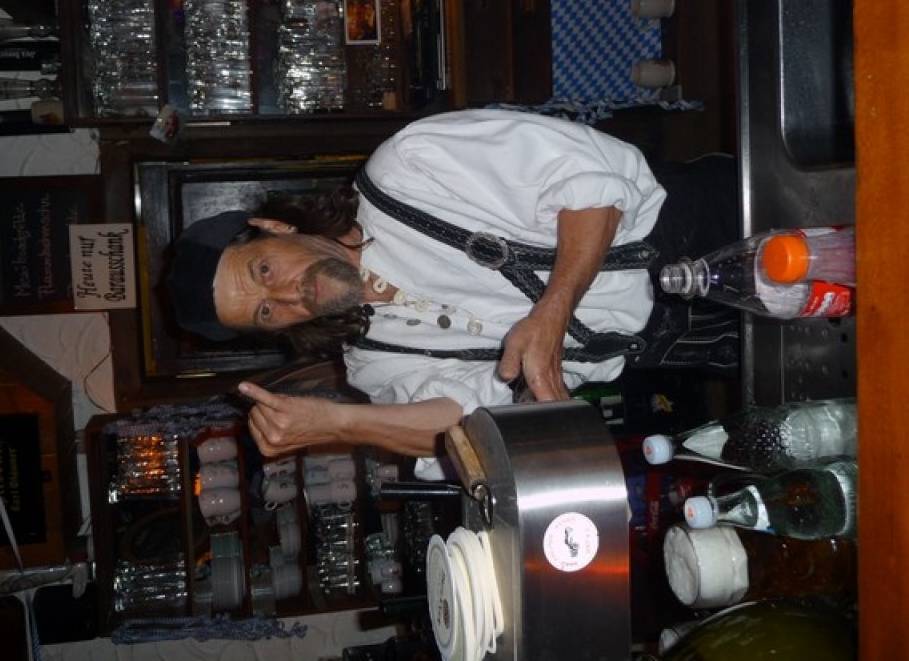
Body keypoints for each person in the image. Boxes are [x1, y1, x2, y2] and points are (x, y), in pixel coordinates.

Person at [167, 109, 738, 479]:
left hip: (714, 228)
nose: (289, 295)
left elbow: (588, 184)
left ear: (274, 227)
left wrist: (554, 308)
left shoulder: (407, 170)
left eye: (264, 270)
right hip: (691, 345)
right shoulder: (373, 364)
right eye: (266, 312)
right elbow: (462, 429)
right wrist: (339, 424)